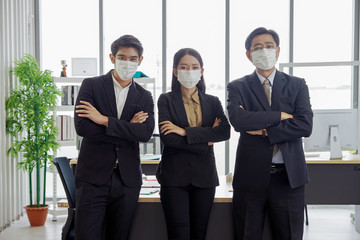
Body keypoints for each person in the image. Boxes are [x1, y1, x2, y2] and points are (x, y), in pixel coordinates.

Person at [227, 27, 313, 240]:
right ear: (248, 54)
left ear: (278, 50)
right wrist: (280, 116)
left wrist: (265, 129)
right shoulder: (237, 86)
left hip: (288, 178)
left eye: (269, 46)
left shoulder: (297, 84)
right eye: (257, 47)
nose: (264, 51)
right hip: (250, 178)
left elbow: (305, 125)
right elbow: (238, 120)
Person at [74, 35, 155, 240]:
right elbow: (83, 127)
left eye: (133, 58)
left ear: (140, 60)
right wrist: (128, 128)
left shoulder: (144, 96)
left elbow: (145, 134)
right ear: (112, 57)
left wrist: (103, 120)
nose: (127, 63)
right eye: (122, 57)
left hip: (127, 179)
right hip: (93, 177)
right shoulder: (91, 85)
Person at [156, 48, 231, 240]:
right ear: (175, 71)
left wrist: (183, 131)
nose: (189, 71)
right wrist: (207, 139)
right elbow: (168, 139)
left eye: (194, 67)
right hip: (173, 179)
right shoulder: (166, 100)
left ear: (202, 71)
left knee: (200, 233)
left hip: (204, 178)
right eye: (184, 67)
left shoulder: (213, 102)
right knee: (178, 234)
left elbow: (224, 131)